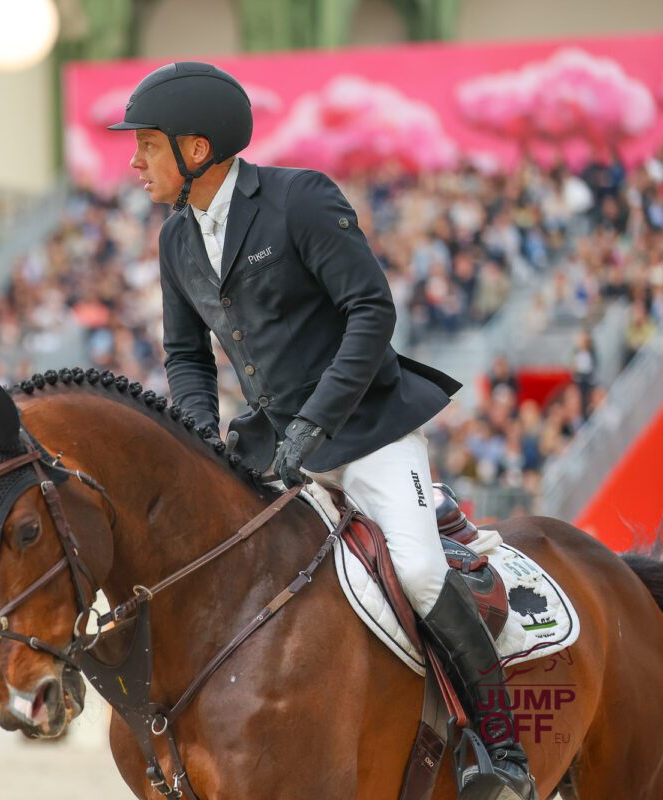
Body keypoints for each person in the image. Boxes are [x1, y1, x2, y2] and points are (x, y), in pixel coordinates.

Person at [109, 61, 537, 800]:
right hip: (268, 444)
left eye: (147, 145)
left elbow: (371, 314)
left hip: (365, 433)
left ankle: (500, 749)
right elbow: (185, 355)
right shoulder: (177, 239)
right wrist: (198, 437)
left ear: (197, 150)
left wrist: (315, 423)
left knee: (422, 570)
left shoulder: (298, 199)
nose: (134, 160)